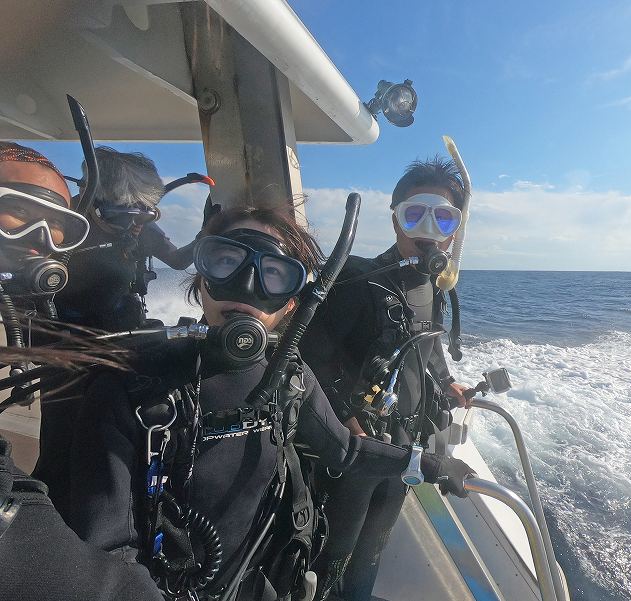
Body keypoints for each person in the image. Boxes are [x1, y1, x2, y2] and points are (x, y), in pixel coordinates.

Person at [36, 204, 476, 601]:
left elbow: (345, 450)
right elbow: (107, 550)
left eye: (275, 274)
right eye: (226, 261)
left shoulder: (289, 377)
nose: (246, 288)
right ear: (201, 278)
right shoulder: (134, 386)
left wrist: (428, 465)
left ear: (293, 303)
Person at [300, 157, 472, 601]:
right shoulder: (358, 281)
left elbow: (427, 344)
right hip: (355, 451)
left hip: (404, 447)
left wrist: (447, 381)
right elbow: (311, 358)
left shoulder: (432, 286)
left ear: (456, 228)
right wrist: (349, 425)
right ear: (394, 218)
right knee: (334, 557)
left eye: (444, 216)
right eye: (415, 214)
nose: (427, 229)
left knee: (372, 552)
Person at [0, 141, 164, 601]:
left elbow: (177, 259)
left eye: (143, 213)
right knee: (62, 446)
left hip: (117, 362)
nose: (45, 237)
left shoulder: (133, 236)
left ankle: (63, 524)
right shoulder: (81, 239)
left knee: (97, 455)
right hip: (69, 362)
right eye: (16, 211)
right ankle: (59, 519)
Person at [55, 146, 196, 331]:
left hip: (121, 323)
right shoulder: (61, 220)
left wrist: (208, 234)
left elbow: (178, 261)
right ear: (85, 195)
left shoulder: (141, 224)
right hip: (64, 325)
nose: (131, 225)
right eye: (119, 216)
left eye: (139, 216)